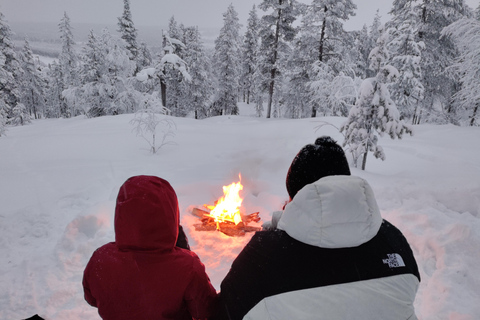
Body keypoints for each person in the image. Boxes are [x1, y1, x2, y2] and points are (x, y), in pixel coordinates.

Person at [214, 136, 420, 320]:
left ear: (296, 198)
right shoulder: (393, 240)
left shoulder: (262, 257)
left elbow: (221, 312)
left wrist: (272, 244)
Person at [83, 175, 218, 320]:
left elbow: (91, 298)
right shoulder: (188, 267)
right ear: (171, 213)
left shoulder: (100, 259)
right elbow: (207, 311)